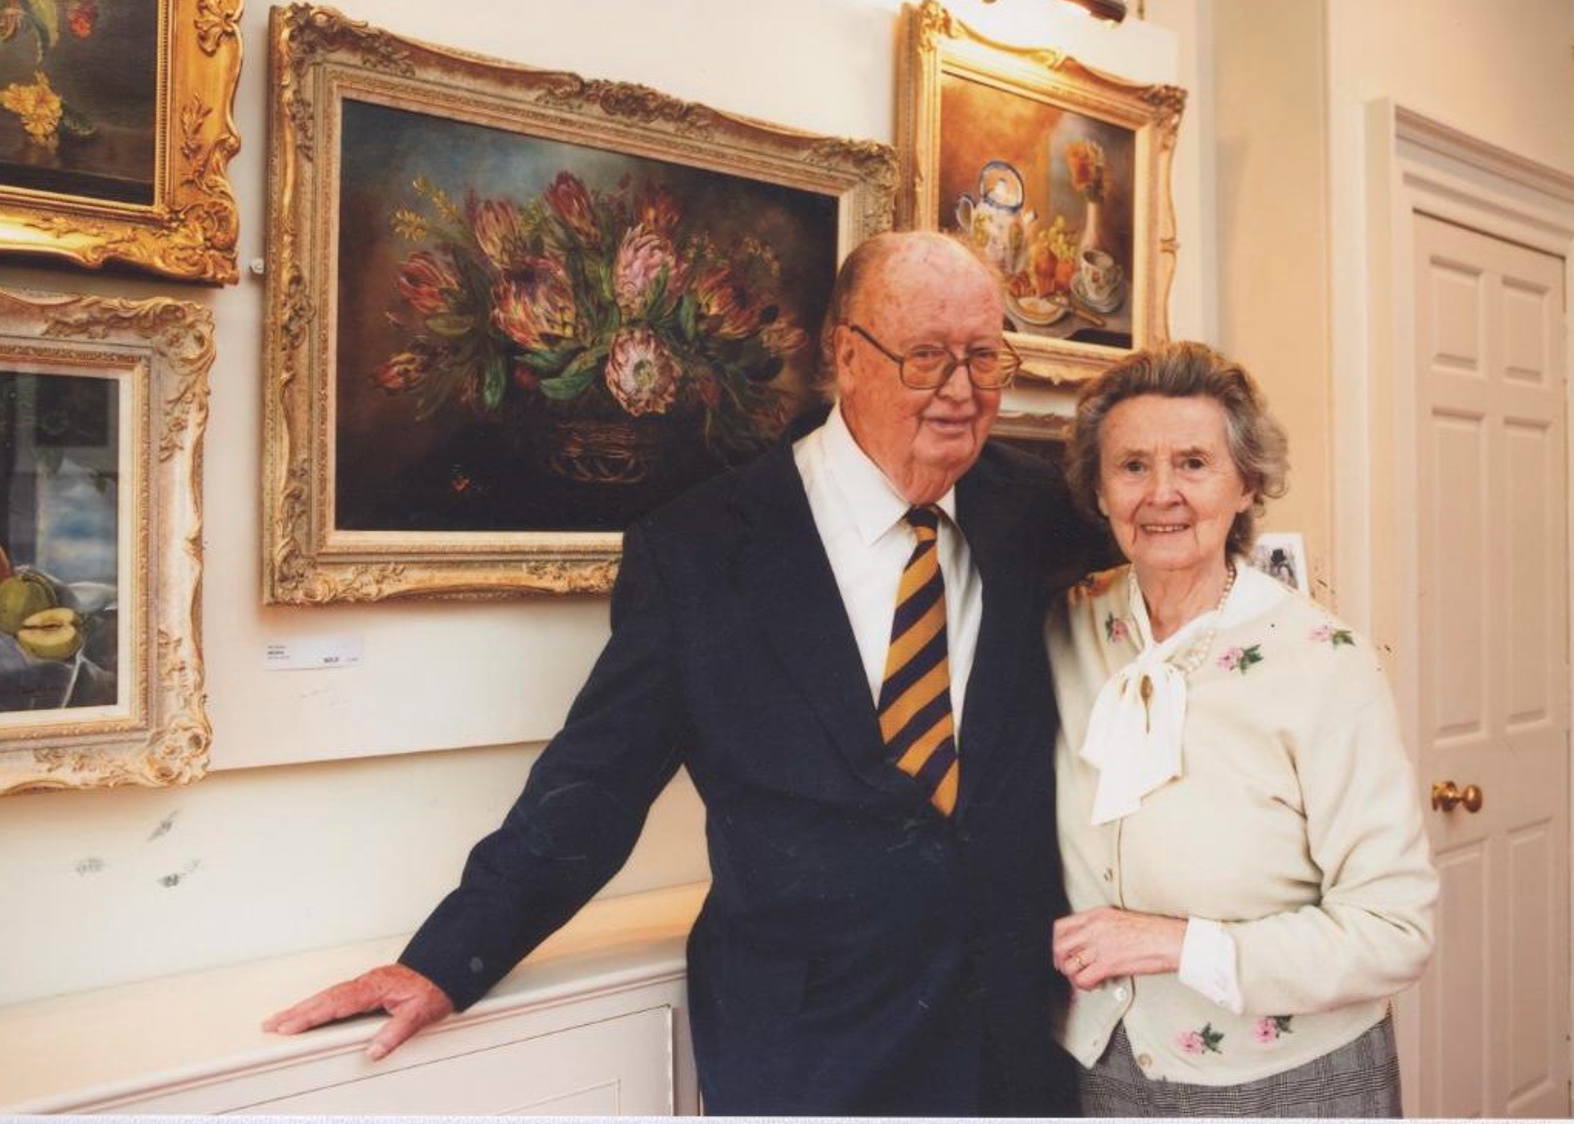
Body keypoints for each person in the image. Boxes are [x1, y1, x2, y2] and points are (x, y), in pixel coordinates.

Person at [265, 231, 1103, 1116]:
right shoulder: (703, 549)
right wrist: (444, 961)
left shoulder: (1037, 507)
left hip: (1014, 1035)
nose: (963, 393)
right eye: (928, 358)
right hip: (809, 1046)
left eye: (985, 357)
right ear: (847, 358)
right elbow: (599, 778)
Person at [1045, 341, 1437, 1117]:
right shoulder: (1068, 624)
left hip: (1289, 1079)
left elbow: (1395, 929)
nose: (1162, 494)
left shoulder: (1326, 663)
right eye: (1132, 467)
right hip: (1101, 1069)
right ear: (1099, 489)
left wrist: (1178, 943)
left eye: (1194, 463)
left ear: (1246, 482)